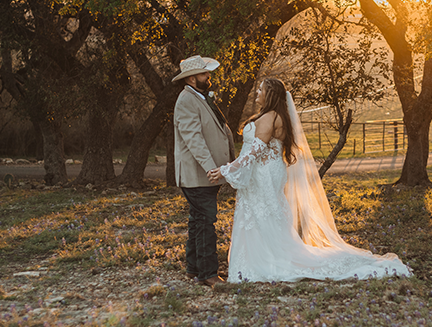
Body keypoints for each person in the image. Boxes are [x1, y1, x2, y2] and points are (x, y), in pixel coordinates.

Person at [207, 78, 411, 283]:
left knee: (264, 212)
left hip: (265, 174)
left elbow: (254, 152)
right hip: (263, 172)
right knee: (263, 213)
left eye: (261, 89)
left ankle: (265, 262)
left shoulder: (271, 117)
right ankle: (255, 262)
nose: (257, 91)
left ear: (270, 94)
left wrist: (225, 170)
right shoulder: (270, 116)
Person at [172, 55, 236, 287]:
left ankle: (193, 269)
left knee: (197, 220)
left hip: (205, 174)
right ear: (190, 78)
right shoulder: (186, 100)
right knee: (206, 221)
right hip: (198, 174)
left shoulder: (200, 97)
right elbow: (194, 138)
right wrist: (211, 168)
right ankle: (208, 274)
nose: (208, 77)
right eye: (203, 74)